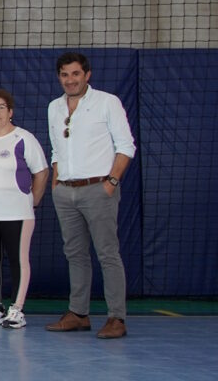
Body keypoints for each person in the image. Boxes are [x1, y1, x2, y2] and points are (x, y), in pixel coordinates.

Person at [44, 52, 135, 339]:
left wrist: (111, 182)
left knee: (108, 253)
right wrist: (56, 182)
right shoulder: (54, 108)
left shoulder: (107, 103)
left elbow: (126, 146)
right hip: (65, 192)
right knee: (75, 254)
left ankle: (116, 318)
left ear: (87, 75)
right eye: (64, 75)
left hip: (99, 189)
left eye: (75, 74)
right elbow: (57, 148)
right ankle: (78, 314)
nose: (70, 80)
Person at [0, 89, 48, 329]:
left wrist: (32, 200)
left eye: (0, 107)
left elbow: (42, 171)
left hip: (17, 212)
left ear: (10, 111)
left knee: (18, 259)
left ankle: (17, 309)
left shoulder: (23, 138)